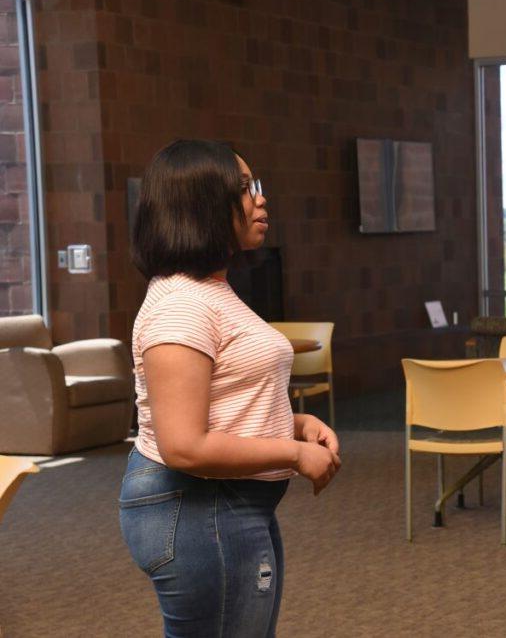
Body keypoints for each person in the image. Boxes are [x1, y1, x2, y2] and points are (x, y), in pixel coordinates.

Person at [119, 139, 341, 636]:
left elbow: (225, 398)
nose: (260, 199)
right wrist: (292, 453)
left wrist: (295, 423)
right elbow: (184, 445)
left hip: (227, 506)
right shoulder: (181, 305)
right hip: (199, 508)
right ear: (201, 205)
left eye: (255, 186)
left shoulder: (210, 292)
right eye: (244, 189)